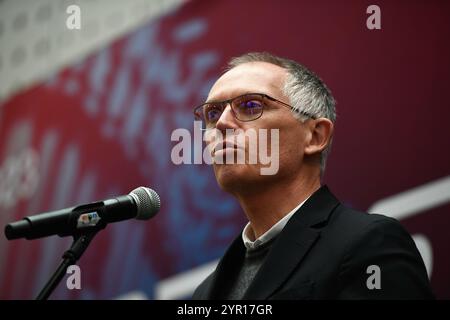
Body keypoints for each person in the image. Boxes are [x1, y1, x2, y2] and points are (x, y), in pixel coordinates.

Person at [191, 52, 434, 299]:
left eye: (251, 105)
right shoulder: (205, 293)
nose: (221, 124)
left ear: (316, 136)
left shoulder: (369, 244)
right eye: (212, 113)